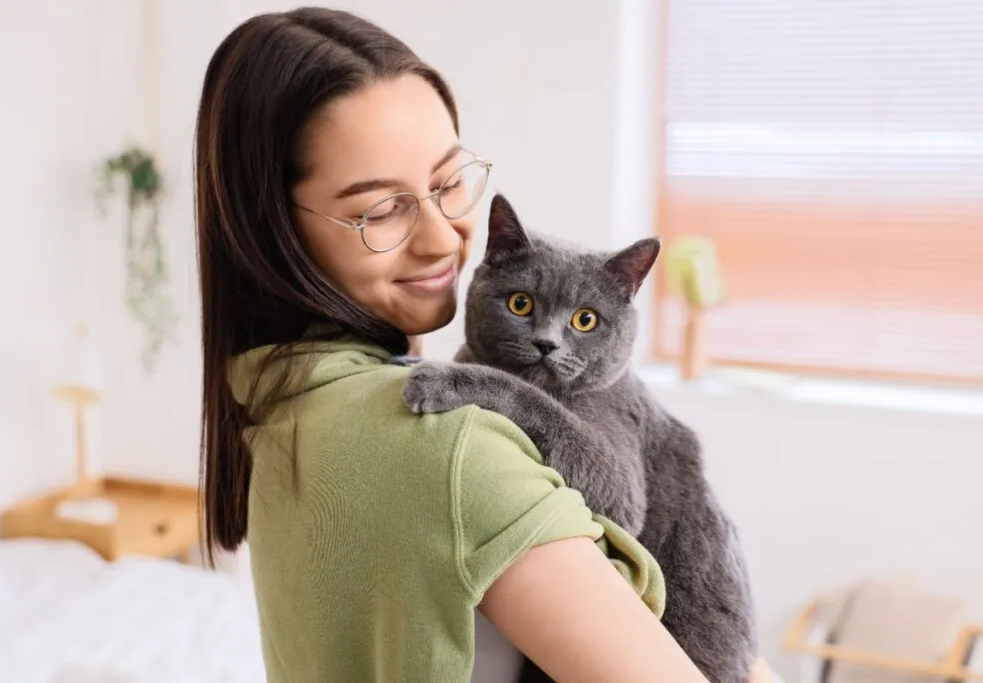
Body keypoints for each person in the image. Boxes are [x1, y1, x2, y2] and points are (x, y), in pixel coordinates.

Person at [195, 7, 712, 683]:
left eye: (447, 183)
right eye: (382, 209)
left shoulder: (270, 397)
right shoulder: (448, 439)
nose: (445, 239)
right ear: (273, 230)